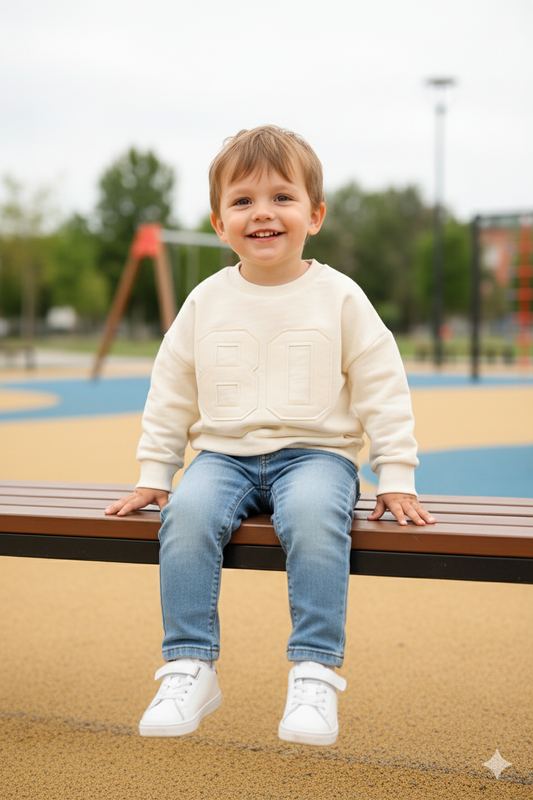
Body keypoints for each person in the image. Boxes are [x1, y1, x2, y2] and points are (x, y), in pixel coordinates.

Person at [105, 125, 435, 746]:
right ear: (217, 221)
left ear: (315, 215)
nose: (263, 213)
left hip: (316, 456)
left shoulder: (338, 296)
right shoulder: (205, 300)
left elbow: (382, 385)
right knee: (187, 517)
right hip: (223, 456)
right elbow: (171, 387)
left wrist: (396, 475)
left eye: (282, 198)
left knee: (313, 519)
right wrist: (155, 474)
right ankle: (189, 664)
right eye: (243, 201)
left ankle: (314, 673)